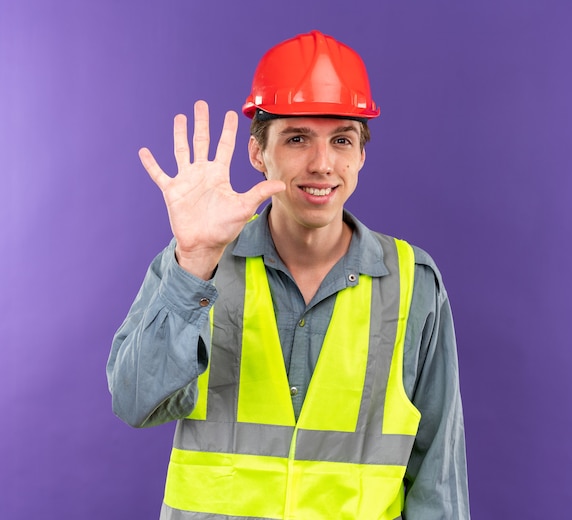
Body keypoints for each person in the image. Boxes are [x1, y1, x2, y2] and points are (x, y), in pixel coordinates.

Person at [107, 30, 470, 520]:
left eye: (342, 139)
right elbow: (134, 401)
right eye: (297, 138)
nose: (322, 164)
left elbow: (438, 480)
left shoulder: (413, 283)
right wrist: (193, 262)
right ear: (259, 154)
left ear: (361, 155)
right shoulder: (198, 261)